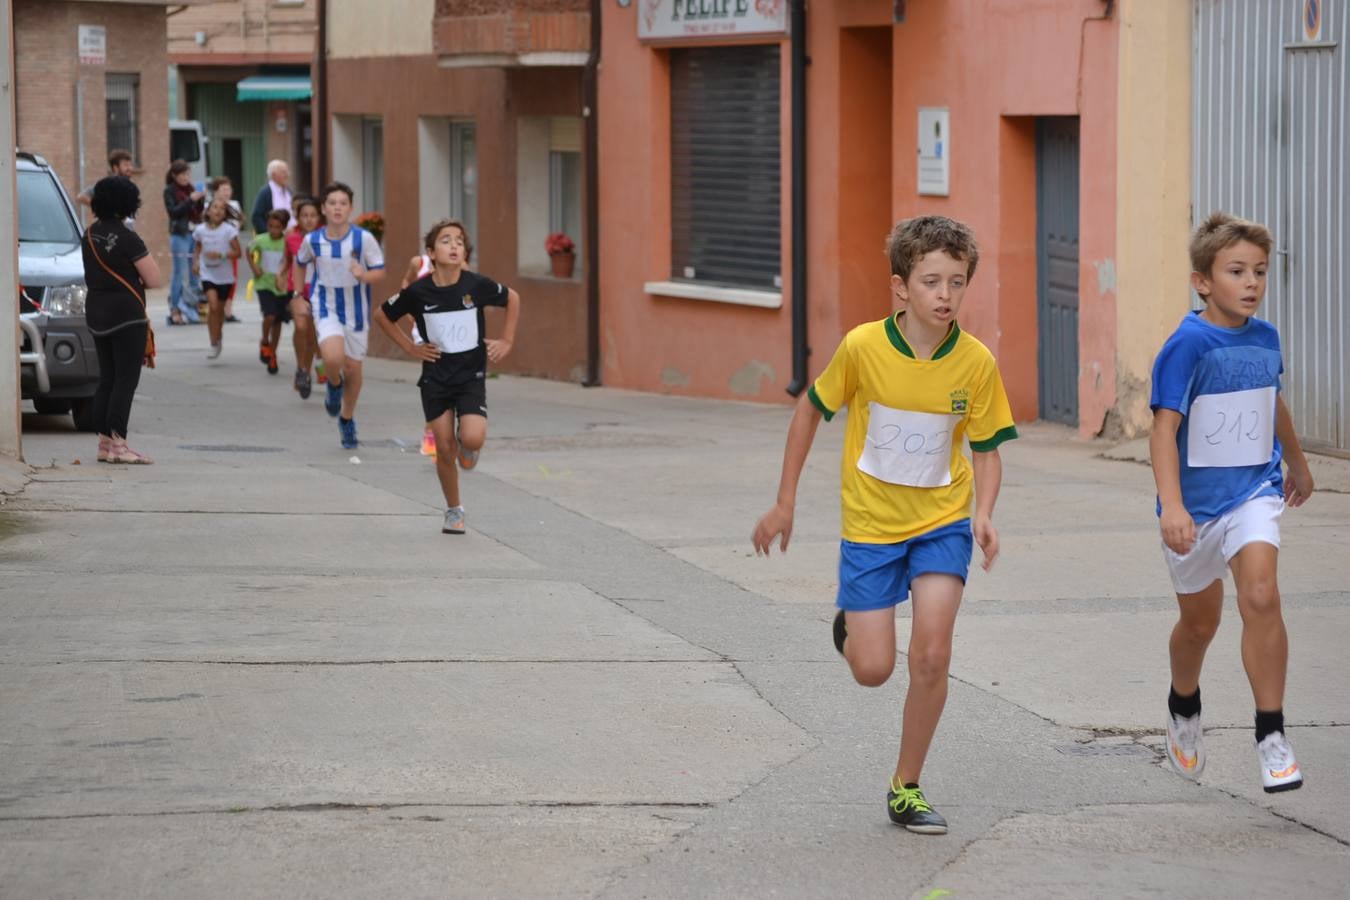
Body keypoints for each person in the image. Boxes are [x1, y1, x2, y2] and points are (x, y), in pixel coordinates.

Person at [751, 215, 1017, 835]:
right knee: (874, 669)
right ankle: (852, 626)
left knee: (932, 652)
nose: (944, 295)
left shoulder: (976, 363)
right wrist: (785, 502)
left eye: (956, 281)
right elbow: (809, 413)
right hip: (870, 527)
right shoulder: (863, 347)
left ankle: (907, 786)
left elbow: (987, 448)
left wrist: (983, 513)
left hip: (942, 524)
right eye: (931, 281)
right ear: (901, 288)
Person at [1150, 212, 1314, 794]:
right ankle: (1183, 705)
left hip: (1254, 490)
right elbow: (1164, 428)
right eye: (1237, 271)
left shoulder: (1266, 338)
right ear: (1202, 281)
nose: (1251, 283)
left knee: (1262, 595)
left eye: (1260, 272)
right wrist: (1172, 505)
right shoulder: (1187, 344)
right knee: (1199, 624)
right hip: (1195, 509)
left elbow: (1271, 402)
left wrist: (1295, 462)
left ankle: (1271, 735)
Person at [374, 219, 520, 534]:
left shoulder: (476, 285)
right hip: (436, 378)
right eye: (446, 240)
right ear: (430, 251)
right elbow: (383, 315)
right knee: (443, 446)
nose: (454, 245)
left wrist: (506, 340)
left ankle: (469, 447)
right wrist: (410, 349)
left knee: (471, 437)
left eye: (459, 241)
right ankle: (454, 510)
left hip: (470, 376)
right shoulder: (418, 291)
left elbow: (513, 298)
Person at [294, 181, 385, 448]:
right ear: (324, 208)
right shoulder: (312, 240)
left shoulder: (363, 238)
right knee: (333, 358)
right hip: (326, 304)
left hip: (356, 310)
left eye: (343, 203)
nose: (337, 208)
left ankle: (347, 419)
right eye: (332, 203)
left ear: (351, 208)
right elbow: (300, 265)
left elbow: (379, 270)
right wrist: (299, 295)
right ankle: (334, 384)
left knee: (354, 369)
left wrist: (364, 274)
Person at [82, 176, 162, 464]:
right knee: (125, 380)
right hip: (127, 316)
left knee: (107, 378)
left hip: (97, 313)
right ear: (128, 203)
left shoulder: (88, 234)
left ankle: (104, 444)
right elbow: (154, 279)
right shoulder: (128, 238)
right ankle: (120, 445)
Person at [192, 198, 242, 360]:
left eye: (221, 208)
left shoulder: (229, 230)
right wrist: (195, 263)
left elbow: (238, 253)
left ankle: (218, 336)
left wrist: (221, 254)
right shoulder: (200, 230)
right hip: (208, 274)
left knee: (219, 311)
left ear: (225, 213)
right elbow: (197, 247)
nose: (218, 211)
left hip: (225, 276)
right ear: (208, 211)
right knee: (212, 306)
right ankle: (213, 342)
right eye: (215, 207)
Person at [401, 248, 438, 457]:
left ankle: (447, 427)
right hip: (423, 327)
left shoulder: (461, 266)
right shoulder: (418, 263)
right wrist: (409, 309)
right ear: (431, 249)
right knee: (433, 372)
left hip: (450, 329)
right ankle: (430, 430)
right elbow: (405, 284)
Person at [248, 209, 290, 375]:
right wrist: (255, 267)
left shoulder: (287, 242)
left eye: (277, 227)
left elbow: (291, 259)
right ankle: (265, 340)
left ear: (283, 227)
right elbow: (248, 251)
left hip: (282, 286)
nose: (273, 230)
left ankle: (273, 353)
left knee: (278, 321)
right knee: (269, 315)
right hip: (264, 284)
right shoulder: (261, 240)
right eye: (270, 226)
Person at [162, 160, 204, 325]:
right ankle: (175, 309)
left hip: (194, 233)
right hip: (180, 234)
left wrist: (200, 199)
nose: (187, 177)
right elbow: (174, 212)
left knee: (194, 271)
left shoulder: (192, 189)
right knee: (179, 272)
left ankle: (192, 307)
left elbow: (199, 212)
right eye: (183, 174)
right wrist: (190, 200)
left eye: (188, 174)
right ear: (174, 175)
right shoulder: (169, 191)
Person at [208, 177, 245, 323]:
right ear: (216, 192)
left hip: (231, 247)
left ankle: (228, 309)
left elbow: (240, 221)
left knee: (231, 278)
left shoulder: (234, 205)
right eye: (223, 190)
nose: (227, 193)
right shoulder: (209, 206)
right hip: (214, 247)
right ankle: (216, 309)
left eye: (229, 189)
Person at [76, 149, 135, 227]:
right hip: (112, 234)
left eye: (130, 165)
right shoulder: (109, 185)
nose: (129, 168)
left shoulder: (130, 186)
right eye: (126, 165)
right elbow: (81, 197)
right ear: (115, 168)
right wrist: (105, 210)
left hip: (127, 234)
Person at [251, 159, 294, 234]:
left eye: (287, 172)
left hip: (290, 236)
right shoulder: (265, 192)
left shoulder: (288, 191)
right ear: (274, 175)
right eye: (284, 172)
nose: (287, 175)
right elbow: (256, 217)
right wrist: (268, 234)